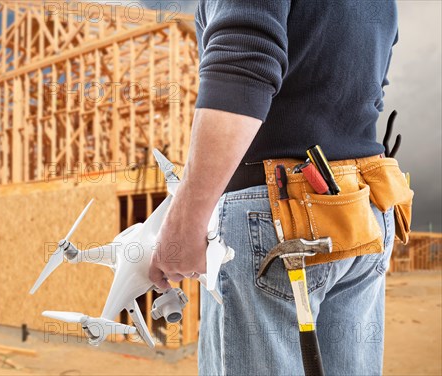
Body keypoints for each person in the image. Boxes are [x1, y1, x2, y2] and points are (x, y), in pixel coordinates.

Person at [148, 1, 399, 375]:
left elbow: (242, 65)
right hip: (364, 206)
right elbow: (367, 84)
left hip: (278, 217)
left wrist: (187, 219)